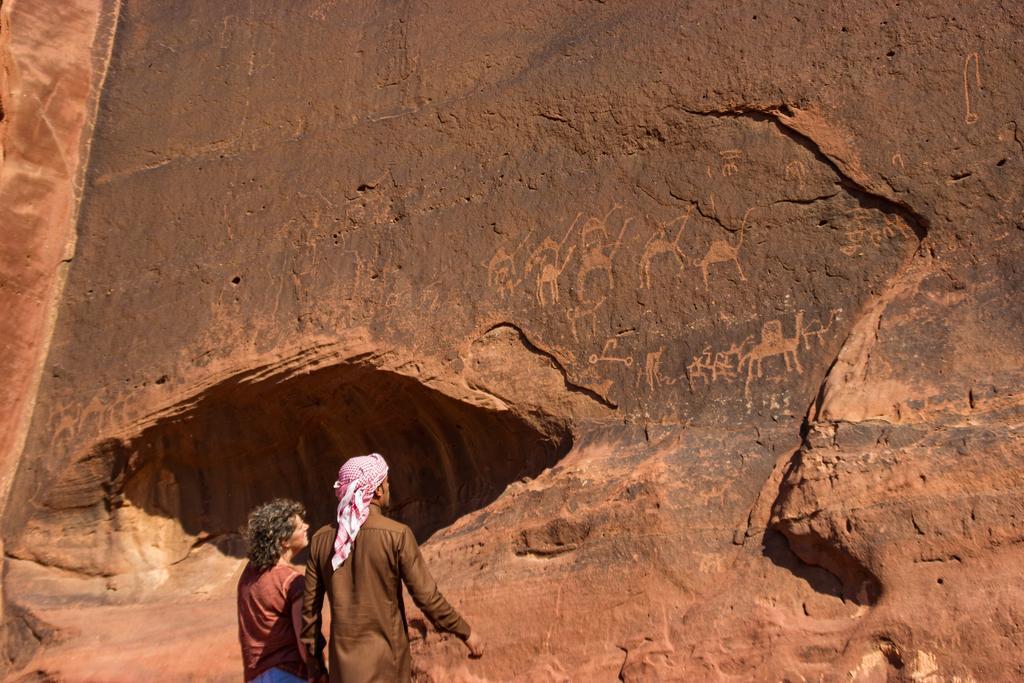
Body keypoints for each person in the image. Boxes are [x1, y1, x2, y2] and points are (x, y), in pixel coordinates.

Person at [302, 453, 483, 682]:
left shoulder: (321, 540)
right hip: (388, 668)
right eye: (387, 482)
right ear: (377, 491)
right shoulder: (397, 535)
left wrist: (316, 669)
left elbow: (309, 615)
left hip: (342, 673)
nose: (389, 487)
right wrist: (466, 632)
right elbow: (427, 597)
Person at [237, 499, 311, 683]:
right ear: (284, 541)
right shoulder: (292, 581)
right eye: (300, 526)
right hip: (291, 674)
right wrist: (318, 671)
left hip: (256, 676)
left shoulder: (249, 574)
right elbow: (306, 639)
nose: (307, 527)